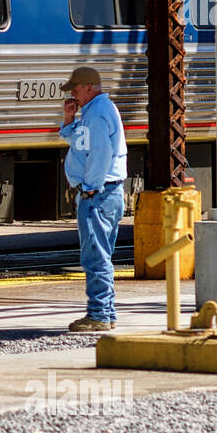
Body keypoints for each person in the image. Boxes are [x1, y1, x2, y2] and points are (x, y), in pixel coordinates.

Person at [58, 66, 127, 332]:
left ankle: (99, 314)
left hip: (98, 194)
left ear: (89, 87)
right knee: (101, 255)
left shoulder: (98, 114)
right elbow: (77, 141)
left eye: (75, 88)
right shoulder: (93, 112)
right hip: (103, 193)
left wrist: (89, 188)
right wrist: (69, 118)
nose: (72, 93)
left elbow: (100, 154)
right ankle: (105, 313)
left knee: (95, 257)